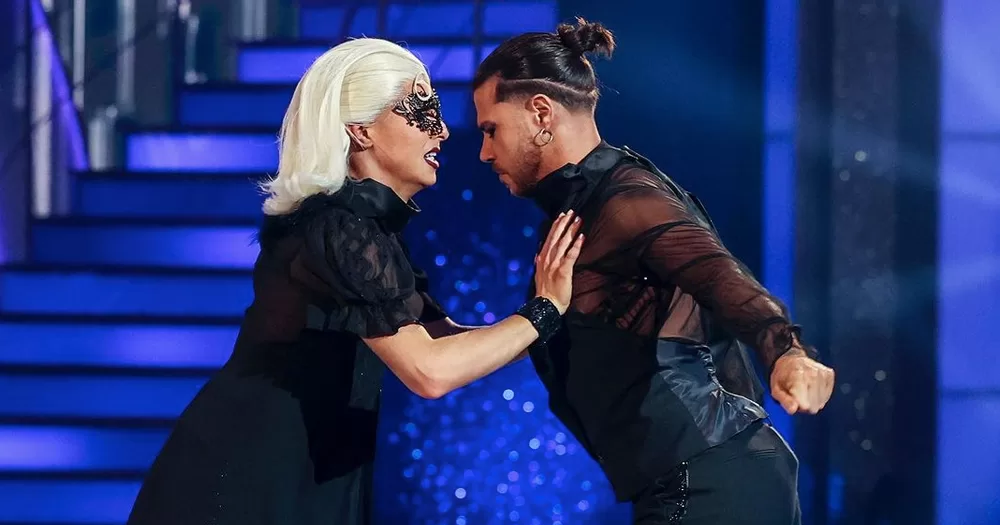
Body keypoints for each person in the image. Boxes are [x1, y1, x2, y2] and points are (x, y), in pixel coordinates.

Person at [126, 38, 584, 525]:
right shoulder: (337, 227)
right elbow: (429, 371)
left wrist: (555, 317)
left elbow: (443, 339)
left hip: (304, 470)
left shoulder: (363, 229)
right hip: (247, 480)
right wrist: (543, 310)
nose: (444, 132)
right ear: (361, 130)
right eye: (419, 110)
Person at [472, 18, 836, 525]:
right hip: (690, 479)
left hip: (712, 479)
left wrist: (786, 350)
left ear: (540, 112)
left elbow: (719, 277)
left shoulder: (626, 199)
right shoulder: (578, 214)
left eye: (491, 129)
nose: (485, 152)